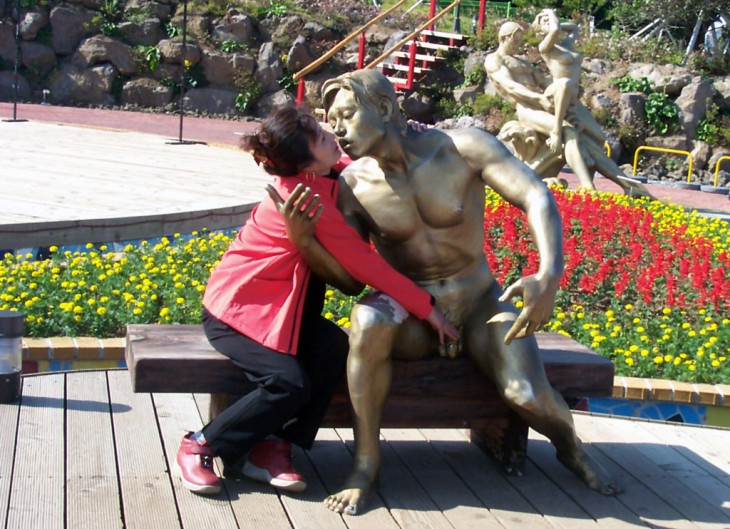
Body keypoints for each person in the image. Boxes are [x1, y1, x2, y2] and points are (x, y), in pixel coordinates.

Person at [320, 69, 620, 515]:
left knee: (527, 396)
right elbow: (350, 281)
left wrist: (548, 273)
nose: (337, 131)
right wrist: (307, 238)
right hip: (415, 317)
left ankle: (569, 444)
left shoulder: (462, 148)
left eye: (345, 116)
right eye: (330, 122)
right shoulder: (354, 186)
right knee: (366, 319)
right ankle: (366, 464)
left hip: (479, 304)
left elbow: (537, 195)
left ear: (383, 109)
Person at [175, 105, 458, 496]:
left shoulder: (319, 173)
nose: (332, 136)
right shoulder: (306, 201)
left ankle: (273, 447)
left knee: (332, 348)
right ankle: (201, 443)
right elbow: (366, 265)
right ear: (306, 165)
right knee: (286, 384)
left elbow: (350, 157)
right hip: (238, 312)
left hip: (279, 309)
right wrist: (429, 310)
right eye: (323, 138)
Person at [486, 20, 652, 197]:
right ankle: (588, 188)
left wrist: (567, 91)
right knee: (569, 132)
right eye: (515, 40)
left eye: (520, 40)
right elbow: (511, 87)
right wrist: (539, 98)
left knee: (589, 142)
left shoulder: (523, 62)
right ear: (504, 38)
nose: (518, 45)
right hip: (527, 109)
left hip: (544, 105)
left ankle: (629, 186)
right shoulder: (493, 60)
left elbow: (544, 81)